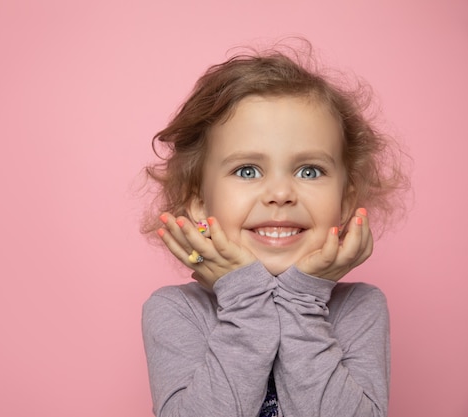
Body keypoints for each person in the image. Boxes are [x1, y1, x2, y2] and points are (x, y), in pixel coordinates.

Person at [141, 42, 409, 417]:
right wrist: (244, 299)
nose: (281, 193)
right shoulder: (177, 311)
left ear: (346, 202)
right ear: (200, 201)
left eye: (309, 171)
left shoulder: (359, 308)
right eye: (247, 171)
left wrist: (303, 300)